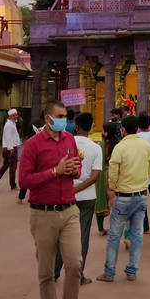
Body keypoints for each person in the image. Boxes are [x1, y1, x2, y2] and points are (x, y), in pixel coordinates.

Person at [18, 100, 87, 299]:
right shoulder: (32, 145)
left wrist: (72, 169)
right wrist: (54, 172)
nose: (64, 120)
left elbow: (76, 170)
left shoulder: (69, 139)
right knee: (46, 271)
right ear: (48, 118)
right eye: (60, 116)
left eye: (66, 116)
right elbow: (24, 181)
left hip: (69, 210)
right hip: (43, 213)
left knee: (75, 263)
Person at [96, 115, 150, 282]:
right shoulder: (146, 146)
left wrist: (113, 186)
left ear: (123, 130)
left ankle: (109, 272)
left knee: (114, 235)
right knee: (137, 235)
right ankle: (132, 270)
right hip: (141, 195)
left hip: (123, 196)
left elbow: (113, 172)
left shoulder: (120, 148)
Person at [55, 112, 102, 286]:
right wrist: (79, 188)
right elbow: (95, 176)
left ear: (76, 126)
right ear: (91, 127)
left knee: (62, 234)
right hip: (87, 197)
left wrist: (72, 189)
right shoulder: (96, 147)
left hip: (66, 196)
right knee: (82, 236)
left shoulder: (66, 144)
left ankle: (54, 271)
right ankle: (78, 275)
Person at [0, 108, 21, 191]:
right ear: (11, 116)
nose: (16, 117)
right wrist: (11, 148)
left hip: (9, 147)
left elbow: (13, 136)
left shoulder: (12, 124)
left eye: (16, 115)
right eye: (15, 115)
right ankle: (13, 186)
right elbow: (8, 138)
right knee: (13, 167)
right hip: (10, 148)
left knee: (5, 166)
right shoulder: (9, 125)